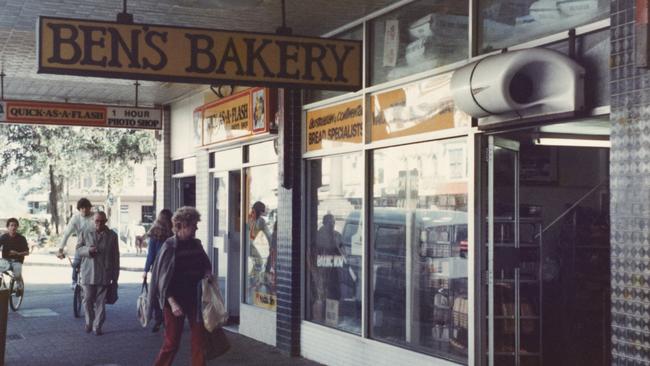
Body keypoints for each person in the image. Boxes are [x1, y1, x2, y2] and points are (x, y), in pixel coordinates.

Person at [148, 206, 212, 366]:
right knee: (171, 343)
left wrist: (207, 273)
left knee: (199, 342)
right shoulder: (169, 247)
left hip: (195, 300)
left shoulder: (196, 245)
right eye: (194, 225)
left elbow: (206, 264)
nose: (196, 228)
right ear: (182, 225)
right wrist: (172, 302)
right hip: (174, 302)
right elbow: (162, 280)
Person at [76, 211, 120, 336]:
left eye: (102, 221)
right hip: (88, 271)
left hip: (104, 272)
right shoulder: (85, 232)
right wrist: (88, 250)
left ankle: (97, 326)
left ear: (106, 221)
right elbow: (78, 249)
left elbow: (116, 257)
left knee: (101, 301)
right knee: (88, 299)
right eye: (96, 221)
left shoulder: (112, 236)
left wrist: (115, 277)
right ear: (92, 221)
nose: (99, 223)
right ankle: (89, 322)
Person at [142, 208, 173, 333]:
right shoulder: (173, 233)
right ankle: (167, 319)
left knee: (155, 293)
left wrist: (145, 270)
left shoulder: (155, 233)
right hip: (170, 267)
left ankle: (159, 318)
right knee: (167, 293)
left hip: (157, 268)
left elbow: (151, 254)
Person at [57, 198, 94, 289]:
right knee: (76, 263)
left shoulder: (95, 217)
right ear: (79, 209)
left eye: (86, 207)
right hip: (81, 245)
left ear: (90, 208)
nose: (84, 210)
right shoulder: (75, 218)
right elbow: (66, 234)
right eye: (82, 208)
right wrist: (60, 249)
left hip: (94, 245)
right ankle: (74, 281)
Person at [0, 218, 29, 292]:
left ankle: (19, 286)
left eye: (15, 225)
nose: (13, 227)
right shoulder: (3, 237)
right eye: (11, 225)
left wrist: (18, 253)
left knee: (17, 275)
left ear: (17, 227)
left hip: (17, 261)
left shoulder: (22, 238)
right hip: (5, 261)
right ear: (8, 227)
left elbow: (27, 252)